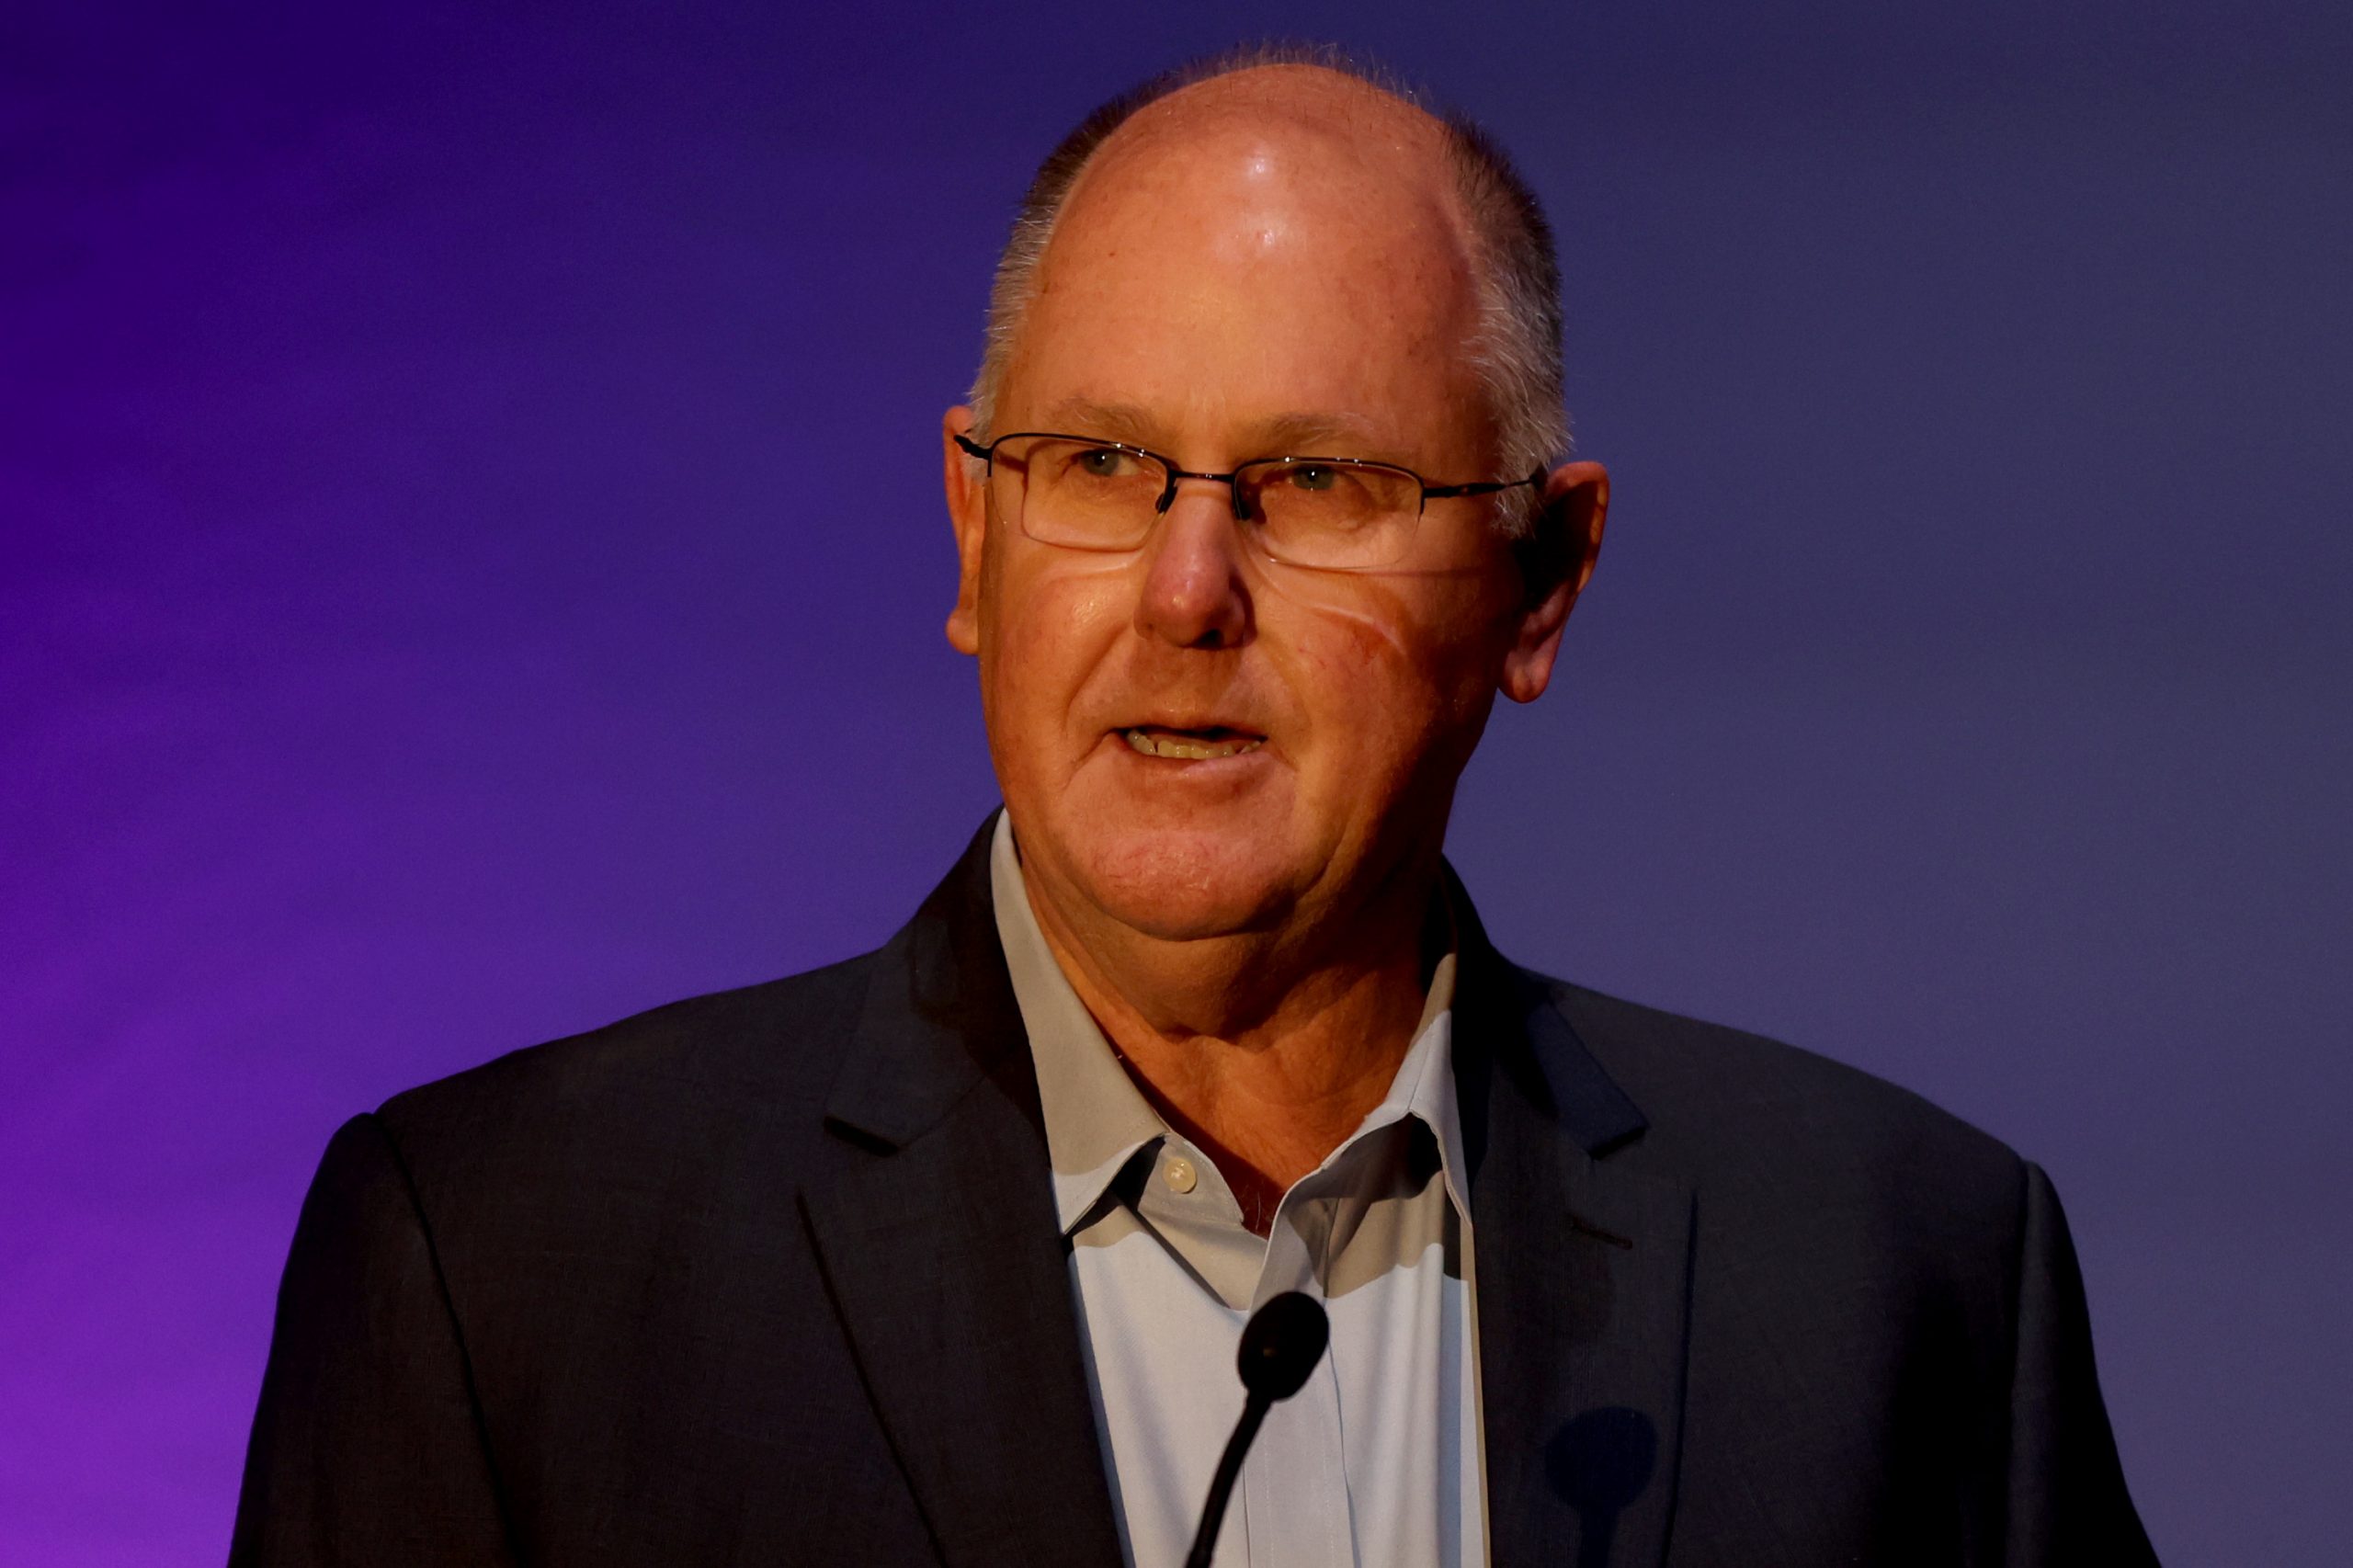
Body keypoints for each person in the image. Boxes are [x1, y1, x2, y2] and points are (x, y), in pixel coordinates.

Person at [231, 45, 2156, 1568]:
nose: (1183, 591)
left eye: (1312, 482)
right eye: (1094, 463)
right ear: (975, 535)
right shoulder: (506, 1272)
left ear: (1540, 578)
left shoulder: (1892, 1280)